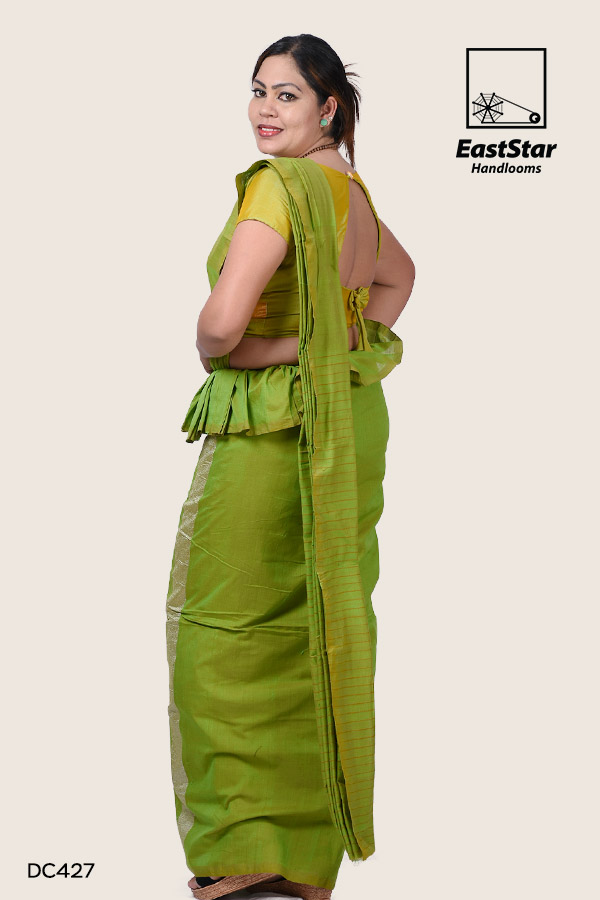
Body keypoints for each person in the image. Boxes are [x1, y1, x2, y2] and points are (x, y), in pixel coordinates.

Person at [165, 33, 416, 900]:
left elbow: (218, 328)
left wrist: (248, 350)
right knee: (319, 621)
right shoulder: (351, 192)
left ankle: (244, 847)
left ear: (328, 107)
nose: (265, 110)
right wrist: (327, 346)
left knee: (223, 633)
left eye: (288, 95)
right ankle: (303, 856)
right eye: (258, 90)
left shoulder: (279, 187)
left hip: (274, 430)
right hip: (347, 420)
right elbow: (399, 280)